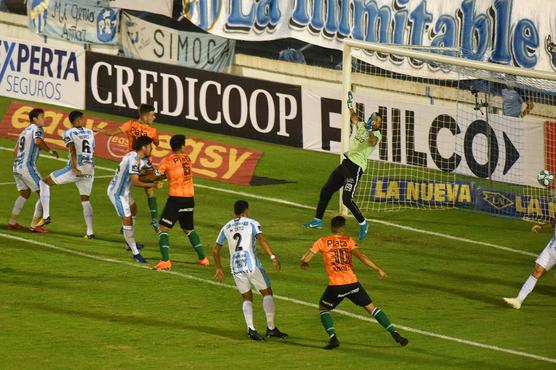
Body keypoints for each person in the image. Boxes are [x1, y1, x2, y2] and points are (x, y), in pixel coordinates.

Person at [300, 216, 408, 350]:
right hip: (353, 283)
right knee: (372, 308)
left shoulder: (322, 241)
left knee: (323, 308)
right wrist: (378, 269)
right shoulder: (348, 241)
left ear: (331, 227)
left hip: (336, 285)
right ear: (343, 228)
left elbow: (306, 257)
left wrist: (304, 263)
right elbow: (362, 256)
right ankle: (395, 334)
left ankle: (333, 338)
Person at [304, 91, 382, 240]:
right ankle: (317, 220)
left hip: (356, 168)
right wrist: (349, 105)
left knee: (347, 199)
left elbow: (372, 142)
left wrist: (370, 129)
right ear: (371, 118)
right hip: (346, 164)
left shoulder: (377, 134)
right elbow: (354, 118)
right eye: (375, 120)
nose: (376, 123)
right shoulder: (362, 125)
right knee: (326, 190)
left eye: (378, 122)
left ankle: (363, 222)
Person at [213, 200, 288, 341]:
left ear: (234, 212)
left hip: (235, 266)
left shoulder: (226, 227)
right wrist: (272, 257)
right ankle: (271, 328)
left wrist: (219, 268)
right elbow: (261, 239)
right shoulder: (252, 223)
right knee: (267, 293)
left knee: (247, 297)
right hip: (251, 265)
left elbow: (215, 249)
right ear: (246, 210)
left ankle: (251, 329)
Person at [94, 104, 160, 231]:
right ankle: (154, 220)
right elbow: (157, 143)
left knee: (127, 188)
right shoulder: (152, 131)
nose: (154, 118)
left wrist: (100, 130)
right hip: (144, 161)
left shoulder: (130, 124)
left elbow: (113, 132)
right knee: (150, 188)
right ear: (145, 116)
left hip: (132, 157)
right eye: (152, 115)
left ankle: (128, 223)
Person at [152, 134, 209, 270]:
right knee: (188, 229)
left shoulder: (167, 160)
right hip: (189, 198)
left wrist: (157, 180)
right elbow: (178, 173)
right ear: (182, 146)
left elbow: (157, 174)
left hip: (176, 199)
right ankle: (203, 258)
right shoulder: (188, 158)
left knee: (162, 229)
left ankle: (165, 261)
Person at [36, 111, 95, 238]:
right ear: (79, 120)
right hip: (90, 169)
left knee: (44, 182)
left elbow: (72, 150)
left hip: (76, 168)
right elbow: (91, 149)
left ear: (71, 121)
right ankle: (90, 232)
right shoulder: (90, 132)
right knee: (85, 200)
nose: (82, 120)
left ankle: (46, 216)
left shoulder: (68, 133)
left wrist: (74, 167)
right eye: (81, 119)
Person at [107, 136, 161, 263]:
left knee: (134, 210)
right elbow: (136, 182)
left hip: (125, 192)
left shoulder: (138, 157)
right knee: (127, 219)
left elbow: (147, 172)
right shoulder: (133, 159)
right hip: (117, 194)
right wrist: (153, 184)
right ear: (143, 147)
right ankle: (135, 253)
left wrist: (160, 174)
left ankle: (127, 238)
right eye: (149, 146)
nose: (151, 148)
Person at [8, 108, 58, 233]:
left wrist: (19, 163)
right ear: (35, 119)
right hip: (27, 167)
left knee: (25, 193)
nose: (44, 119)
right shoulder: (37, 129)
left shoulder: (25, 131)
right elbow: (38, 141)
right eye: (42, 117)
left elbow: (15, 151)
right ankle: (35, 225)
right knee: (44, 191)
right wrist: (50, 151)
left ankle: (12, 222)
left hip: (16, 166)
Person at [503, 220, 556, 309]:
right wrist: (542, 227)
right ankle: (518, 300)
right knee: (537, 271)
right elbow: (554, 223)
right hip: (551, 249)